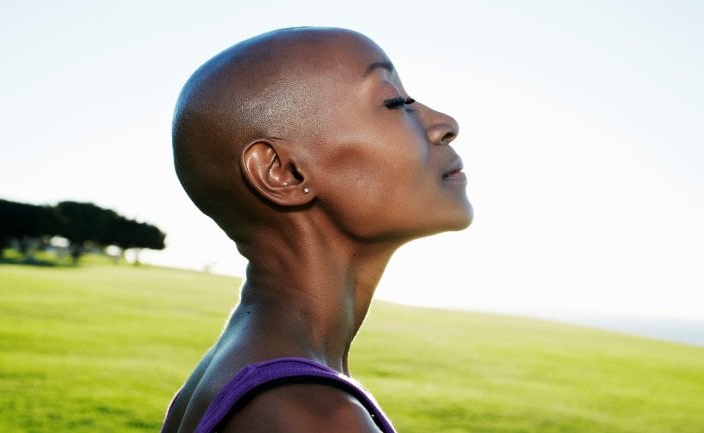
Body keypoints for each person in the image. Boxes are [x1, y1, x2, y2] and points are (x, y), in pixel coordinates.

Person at [161, 27, 472, 433]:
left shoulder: (240, 371)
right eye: (395, 103)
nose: (445, 124)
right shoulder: (313, 416)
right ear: (284, 172)